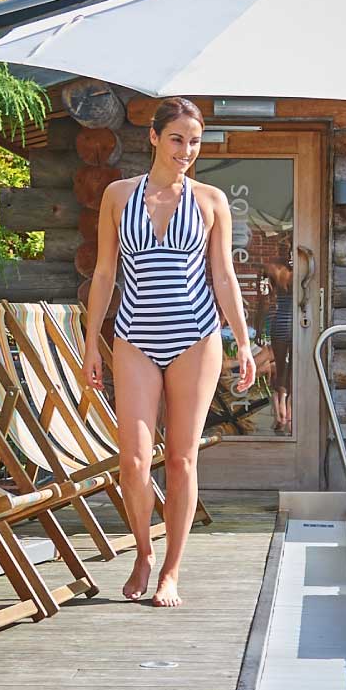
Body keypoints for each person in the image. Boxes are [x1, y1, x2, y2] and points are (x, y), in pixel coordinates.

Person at [80, 98, 256, 608]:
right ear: (154, 138)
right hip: (133, 335)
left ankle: (171, 572)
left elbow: (223, 276)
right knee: (134, 460)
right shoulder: (117, 195)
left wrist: (243, 341)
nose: (186, 150)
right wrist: (92, 342)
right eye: (177, 138)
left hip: (196, 338)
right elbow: (105, 274)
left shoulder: (211, 200)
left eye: (195, 141)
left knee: (180, 460)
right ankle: (143, 551)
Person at [266, 258, 295, 433]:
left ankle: (280, 413)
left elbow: (267, 304)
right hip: (294, 325)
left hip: (278, 324)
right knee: (292, 370)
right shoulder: (294, 277)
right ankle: (289, 412)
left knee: (280, 368)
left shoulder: (272, 279)